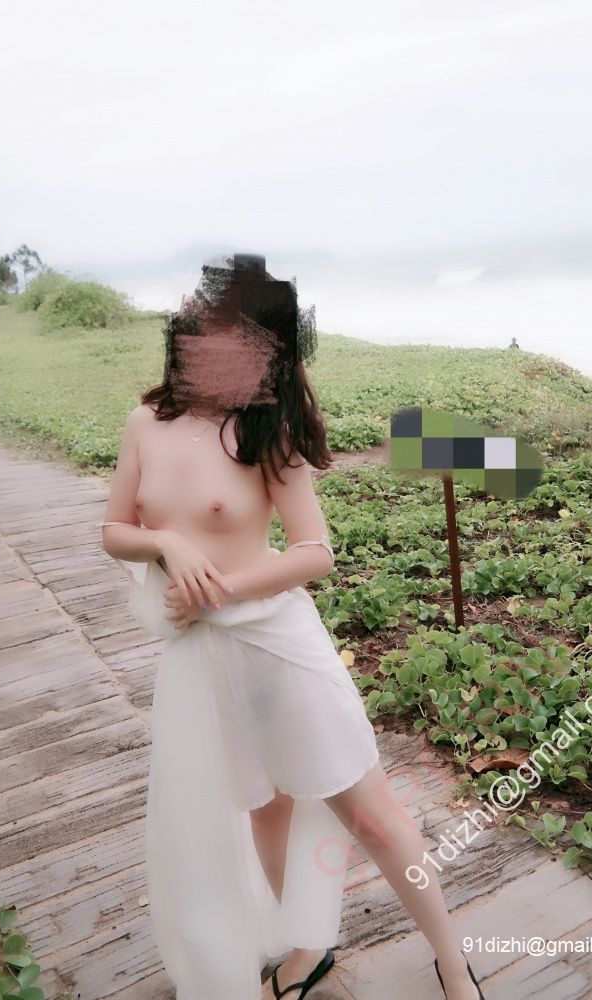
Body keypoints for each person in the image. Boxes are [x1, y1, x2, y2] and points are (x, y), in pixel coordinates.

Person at [97, 254, 484, 1000]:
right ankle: (306, 948)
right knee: (264, 810)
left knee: (374, 818)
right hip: (201, 661)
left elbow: (315, 553)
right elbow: (115, 530)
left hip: (277, 648)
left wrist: (216, 591)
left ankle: (453, 965)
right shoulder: (146, 422)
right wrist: (167, 543)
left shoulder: (265, 431)